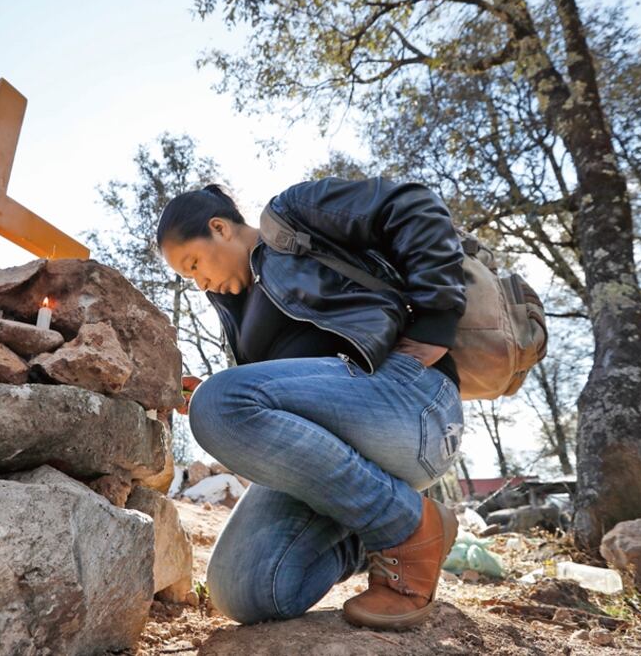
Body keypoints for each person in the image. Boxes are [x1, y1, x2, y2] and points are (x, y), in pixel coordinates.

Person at [157, 177, 467, 631]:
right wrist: (216, 398)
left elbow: (411, 204)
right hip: (346, 446)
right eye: (189, 277)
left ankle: (405, 527)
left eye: (194, 263)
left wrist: (436, 323)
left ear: (220, 228)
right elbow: (299, 390)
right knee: (243, 590)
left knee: (219, 402)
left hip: (411, 403)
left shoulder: (293, 216)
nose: (199, 281)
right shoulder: (236, 314)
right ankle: (374, 532)